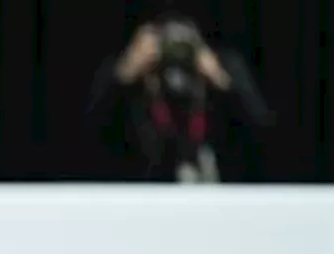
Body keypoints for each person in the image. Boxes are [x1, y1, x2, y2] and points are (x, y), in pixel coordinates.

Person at [86, 13, 273, 182]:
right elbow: (90, 135)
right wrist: (125, 73)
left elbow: (262, 132)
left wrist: (220, 79)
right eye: (167, 40)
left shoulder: (225, 64)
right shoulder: (129, 71)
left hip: (218, 186)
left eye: (184, 40)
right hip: (144, 187)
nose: (176, 50)